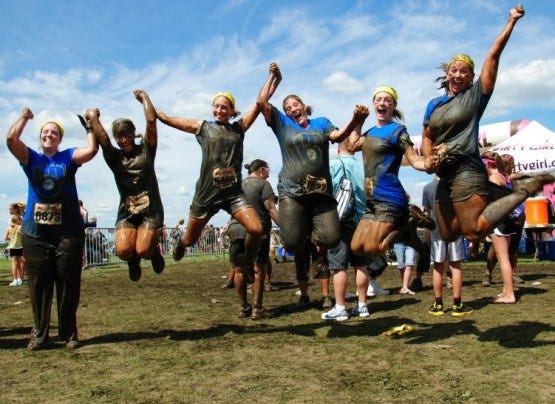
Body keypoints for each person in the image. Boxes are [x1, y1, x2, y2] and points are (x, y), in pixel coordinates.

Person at [420, 6, 553, 274]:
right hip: (445, 173)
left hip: (468, 167)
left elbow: (493, 55)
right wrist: (428, 157)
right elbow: (427, 135)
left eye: (464, 72)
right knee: (445, 234)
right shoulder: (433, 104)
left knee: (474, 231)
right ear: (447, 73)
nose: (458, 75)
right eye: (454, 70)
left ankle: (524, 190)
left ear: (471, 77)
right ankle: (498, 195)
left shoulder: (475, 97)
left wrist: (510, 22)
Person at [257, 69, 369, 308]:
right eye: (287, 108)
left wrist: (354, 118)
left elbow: (339, 137)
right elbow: (261, 102)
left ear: (304, 106)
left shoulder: (321, 123)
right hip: (292, 191)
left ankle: (310, 229)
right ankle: (303, 229)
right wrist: (275, 78)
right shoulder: (283, 123)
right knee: (290, 242)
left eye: (295, 104)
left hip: (320, 192)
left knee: (332, 237)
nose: (291, 109)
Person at [157, 63, 281, 276]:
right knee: (190, 239)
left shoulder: (238, 128)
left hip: (233, 195)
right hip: (207, 194)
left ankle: (247, 263)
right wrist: (150, 107)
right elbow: (169, 119)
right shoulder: (203, 127)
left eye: (225, 107)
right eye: (216, 106)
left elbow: (261, 104)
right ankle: (181, 243)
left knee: (257, 229)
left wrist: (273, 78)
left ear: (232, 111)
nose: (219, 110)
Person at [6, 107, 98, 350]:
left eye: (54, 133)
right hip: (35, 234)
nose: (49, 135)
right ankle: (39, 334)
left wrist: (90, 126)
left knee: (68, 282)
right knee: (38, 283)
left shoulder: (68, 157)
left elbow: (91, 150)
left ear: (60, 138)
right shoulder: (31, 158)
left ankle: (68, 333)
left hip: (68, 232)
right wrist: (25, 117)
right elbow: (10, 140)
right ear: (40, 136)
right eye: (46, 132)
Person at [349, 87, 437, 261]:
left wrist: (426, 163)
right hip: (371, 198)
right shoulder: (371, 132)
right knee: (356, 247)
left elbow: (413, 159)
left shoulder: (398, 131)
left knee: (374, 248)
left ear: (394, 105)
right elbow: (352, 145)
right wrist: (358, 120)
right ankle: (407, 232)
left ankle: (408, 221)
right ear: (374, 104)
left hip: (389, 197)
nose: (382, 103)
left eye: (387, 100)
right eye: (379, 99)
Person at [86, 89, 165, 281]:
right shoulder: (115, 158)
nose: (123, 140)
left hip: (150, 209)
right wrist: (93, 118)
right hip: (127, 210)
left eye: (126, 135)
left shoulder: (146, 150)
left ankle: (153, 251)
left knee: (144, 249)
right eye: (119, 137)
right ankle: (132, 261)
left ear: (133, 134)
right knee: (122, 250)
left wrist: (145, 99)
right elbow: (103, 140)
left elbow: (151, 123)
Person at [321, 138, 371, 321]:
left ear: (338, 146)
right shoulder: (363, 167)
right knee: (361, 264)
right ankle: (362, 305)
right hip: (361, 222)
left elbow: (324, 191)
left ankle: (340, 307)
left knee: (338, 265)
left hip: (339, 221)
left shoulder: (332, 165)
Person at [232, 159, 280, 319]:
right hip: (257, 231)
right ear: (261, 170)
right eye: (267, 170)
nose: (268, 173)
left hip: (236, 230)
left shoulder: (238, 184)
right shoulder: (263, 184)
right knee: (259, 269)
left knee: (239, 269)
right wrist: (284, 225)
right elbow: (271, 208)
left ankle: (244, 307)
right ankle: (257, 309)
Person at [482, 152, 523, 304]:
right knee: (505, 257)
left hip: (500, 222)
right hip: (508, 221)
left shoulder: (493, 179)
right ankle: (506, 290)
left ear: (486, 165)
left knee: (503, 258)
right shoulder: (504, 178)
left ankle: (509, 295)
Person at [423, 177, 467, 316]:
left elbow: (427, 211)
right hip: (455, 230)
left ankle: (438, 304)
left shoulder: (428, 188)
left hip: (437, 231)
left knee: (438, 267)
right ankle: (457, 304)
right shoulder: (457, 184)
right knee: (455, 267)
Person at [5, 214, 24, 286]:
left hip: (12, 247)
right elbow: (23, 235)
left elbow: (6, 238)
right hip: (20, 247)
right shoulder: (20, 227)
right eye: (20, 220)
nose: (22, 221)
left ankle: (15, 280)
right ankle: (19, 280)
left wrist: (11, 239)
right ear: (17, 220)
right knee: (20, 263)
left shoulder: (8, 228)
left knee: (14, 263)